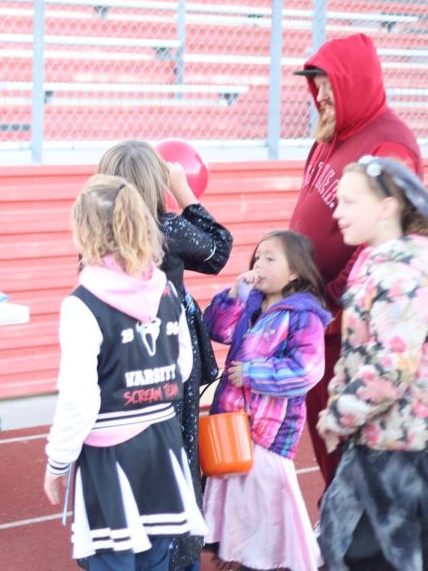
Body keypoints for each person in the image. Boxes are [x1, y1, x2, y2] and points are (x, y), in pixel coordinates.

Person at [44, 174, 203, 571]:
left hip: (112, 454)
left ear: (84, 233)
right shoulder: (165, 289)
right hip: (163, 444)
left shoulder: (82, 304)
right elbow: (182, 366)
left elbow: (80, 398)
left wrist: (58, 461)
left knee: (109, 560)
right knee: (154, 558)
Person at [288, 33, 422, 488]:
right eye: (316, 83)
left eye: (327, 84)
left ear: (354, 83)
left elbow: (380, 242)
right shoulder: (332, 132)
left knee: (351, 457)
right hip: (317, 321)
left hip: (343, 326)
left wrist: (326, 302)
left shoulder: (389, 145)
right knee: (327, 444)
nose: (319, 94)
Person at [97, 139, 232, 571]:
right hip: (172, 354)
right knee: (179, 451)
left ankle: (128, 542)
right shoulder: (166, 230)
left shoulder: (99, 236)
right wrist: (187, 193)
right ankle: (177, 552)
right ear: (156, 184)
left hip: (123, 357)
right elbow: (219, 250)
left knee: (129, 447)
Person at [316, 156, 428, 571]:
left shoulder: (397, 273)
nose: (337, 212)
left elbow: (390, 367)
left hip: (396, 448)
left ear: (387, 208)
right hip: (382, 441)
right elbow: (360, 353)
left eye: (348, 202)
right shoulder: (381, 263)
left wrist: (337, 417)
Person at [201, 230, 328, 571]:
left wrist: (255, 373)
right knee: (238, 509)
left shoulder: (304, 315)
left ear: (295, 272)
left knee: (267, 511)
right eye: (258, 257)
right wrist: (233, 294)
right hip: (233, 431)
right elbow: (214, 329)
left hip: (268, 435)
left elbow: (308, 369)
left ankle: (269, 563)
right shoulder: (250, 304)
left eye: (271, 258)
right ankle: (241, 560)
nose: (259, 263)